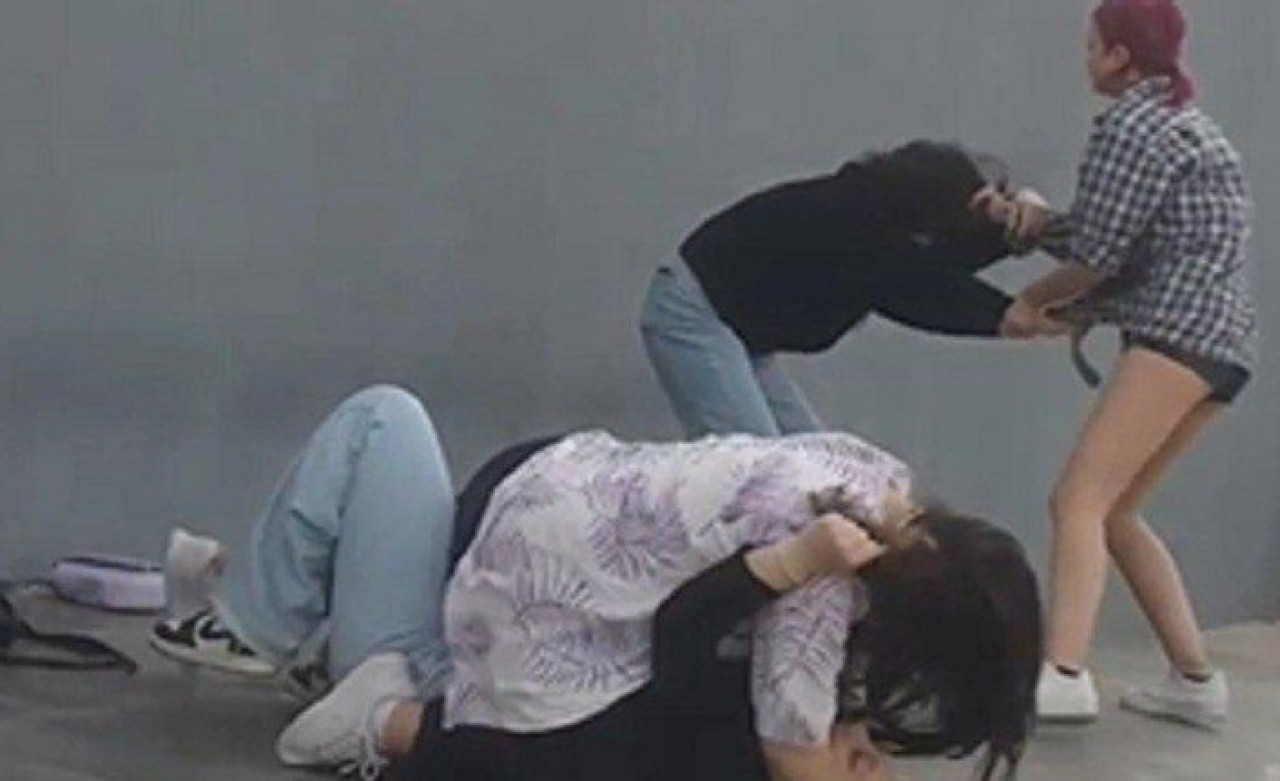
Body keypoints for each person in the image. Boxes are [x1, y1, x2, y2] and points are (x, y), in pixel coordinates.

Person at [151, 386, 1042, 781]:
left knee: (386, 418)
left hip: (521, 513)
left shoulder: (872, 479)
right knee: (385, 421)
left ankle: (271, 622)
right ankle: (327, 673)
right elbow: (790, 750)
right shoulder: (816, 595)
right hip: (455, 628)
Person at [973, 0, 1256, 729]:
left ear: (1121, 56)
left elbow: (1098, 256)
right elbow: (1116, 235)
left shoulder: (1129, 126)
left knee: (1077, 499)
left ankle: (1065, 675)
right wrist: (1032, 224)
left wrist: (1028, 303)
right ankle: (1196, 681)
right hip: (1222, 348)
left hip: (1175, 338)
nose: (1086, 59)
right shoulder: (1184, 122)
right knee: (1118, 510)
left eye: (1093, 45)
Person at [638, 140, 1048, 437]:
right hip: (697, 312)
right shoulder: (856, 227)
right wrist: (1001, 314)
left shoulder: (885, 215)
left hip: (745, 326)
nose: (996, 207)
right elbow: (914, 287)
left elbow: (929, 262)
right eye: (981, 205)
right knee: (758, 472)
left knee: (817, 465)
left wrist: (1016, 231)